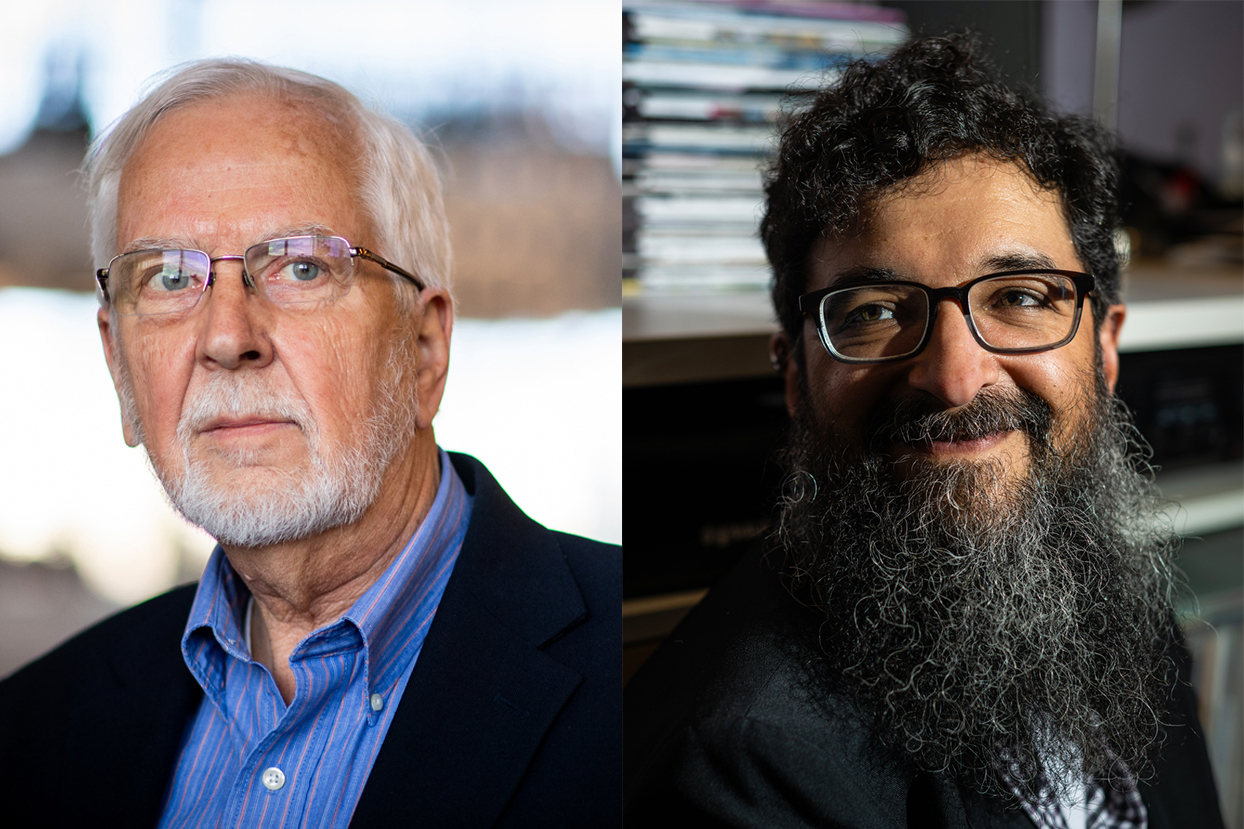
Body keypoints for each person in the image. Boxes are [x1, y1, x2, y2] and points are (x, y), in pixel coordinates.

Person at [0, 59, 619, 828]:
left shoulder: (642, 682)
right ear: (120, 367)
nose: (226, 337)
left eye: (299, 265)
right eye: (166, 278)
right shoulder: (31, 731)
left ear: (423, 348)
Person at [624, 34, 1223, 828]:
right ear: (797, 375)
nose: (954, 376)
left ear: (1105, 347)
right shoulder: (740, 770)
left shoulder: (1117, 599)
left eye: (1020, 296)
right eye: (874, 312)